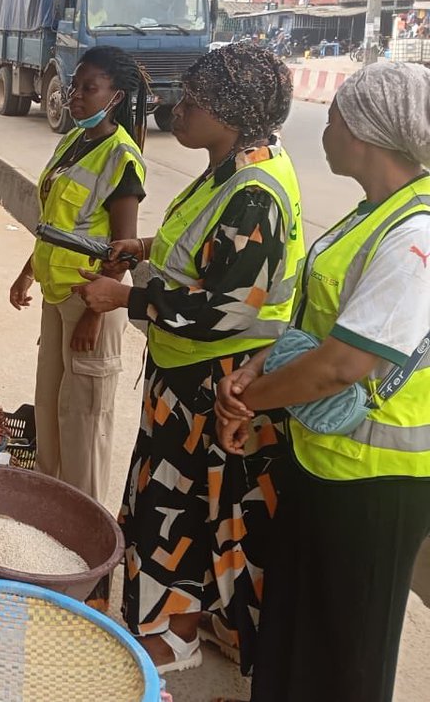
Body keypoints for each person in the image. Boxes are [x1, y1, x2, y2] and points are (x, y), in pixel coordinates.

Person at [72, 44, 304, 675]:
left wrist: (126, 296)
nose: (179, 110)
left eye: (194, 103)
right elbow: (212, 255)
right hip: (188, 374)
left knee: (182, 507)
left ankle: (174, 636)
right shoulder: (230, 168)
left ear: (229, 114)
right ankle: (203, 621)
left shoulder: (254, 190)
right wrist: (144, 245)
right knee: (192, 500)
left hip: (215, 382)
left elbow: (228, 307)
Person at [214, 63, 430, 702]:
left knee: (346, 654)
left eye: (334, 119)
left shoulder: (415, 236)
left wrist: (247, 403)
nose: (326, 130)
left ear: (366, 132)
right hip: (322, 461)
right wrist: (255, 372)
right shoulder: (369, 215)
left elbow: (342, 364)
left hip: (374, 485)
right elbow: (309, 325)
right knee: (296, 634)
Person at [9, 47, 147, 511]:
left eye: (90, 88)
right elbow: (54, 221)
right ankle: (46, 507)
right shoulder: (72, 143)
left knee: (84, 420)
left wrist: (93, 316)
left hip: (92, 304)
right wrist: (27, 271)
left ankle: (81, 519)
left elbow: (123, 249)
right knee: (49, 405)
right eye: (75, 86)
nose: (76, 97)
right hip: (57, 294)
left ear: (116, 96)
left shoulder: (121, 158)